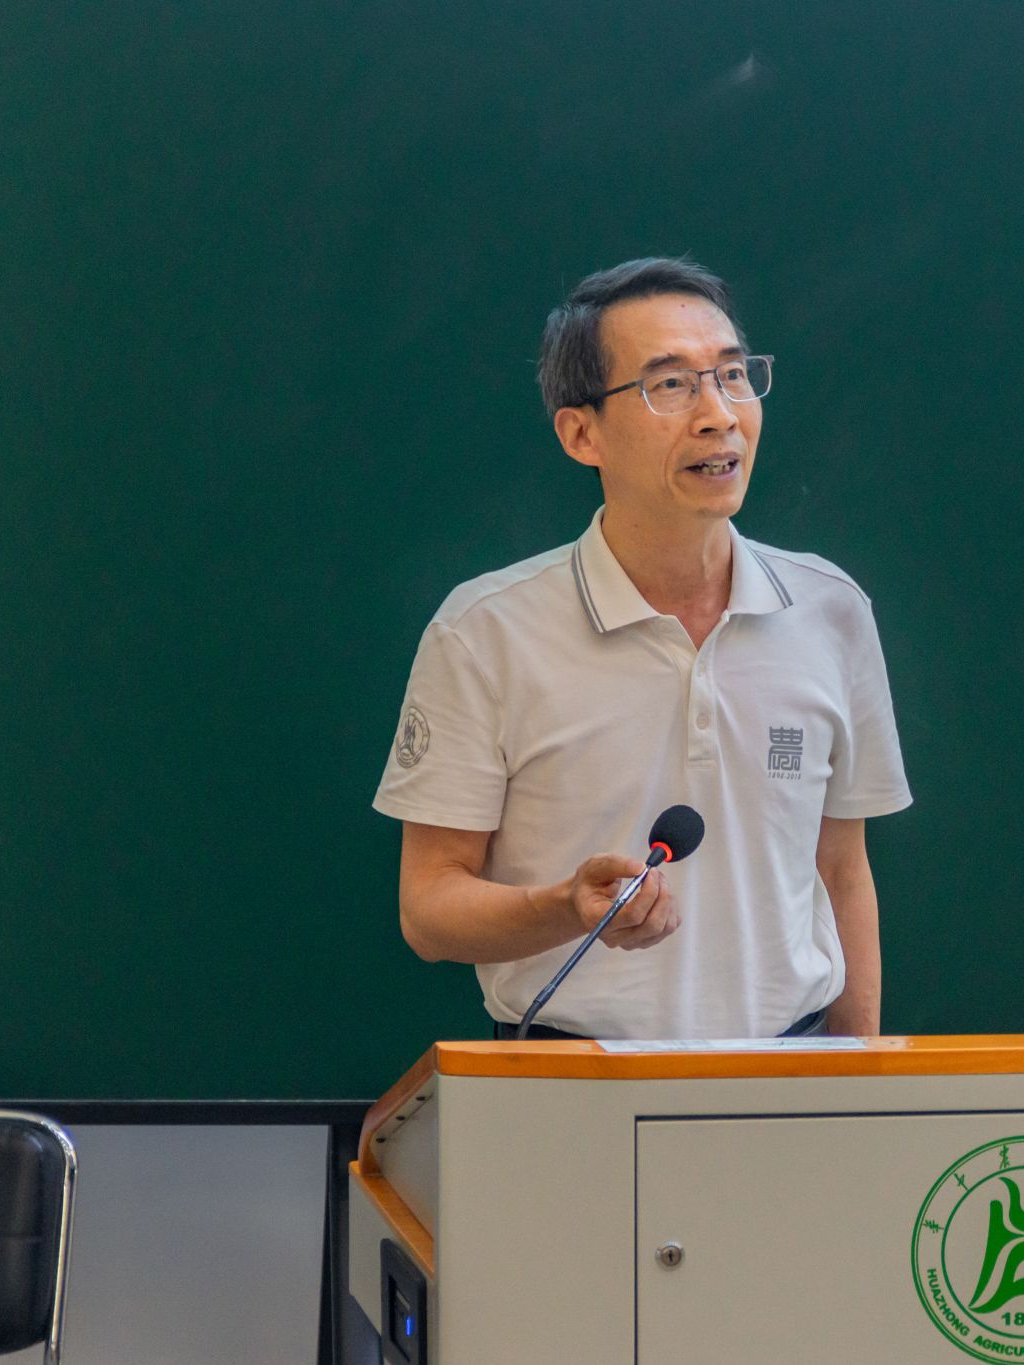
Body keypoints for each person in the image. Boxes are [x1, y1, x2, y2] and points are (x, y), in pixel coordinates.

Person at [372, 257, 911, 1040]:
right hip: (568, 1080)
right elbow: (428, 909)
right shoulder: (484, 632)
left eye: (733, 375)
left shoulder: (832, 611)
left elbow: (842, 870)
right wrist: (565, 906)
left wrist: (860, 1081)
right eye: (671, 384)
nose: (719, 414)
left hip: (790, 1071)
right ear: (581, 433)